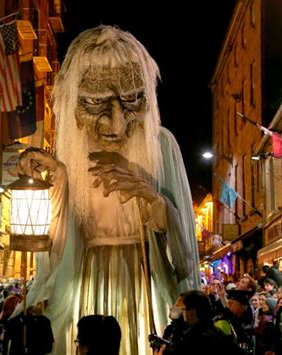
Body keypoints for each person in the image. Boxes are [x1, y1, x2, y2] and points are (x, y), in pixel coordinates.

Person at [14, 25, 199, 354]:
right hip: (87, 278)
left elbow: (182, 253)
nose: (117, 124)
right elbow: (63, 237)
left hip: (144, 277)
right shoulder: (71, 150)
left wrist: (153, 201)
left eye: (131, 101)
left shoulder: (161, 144)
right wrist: (58, 178)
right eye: (96, 103)